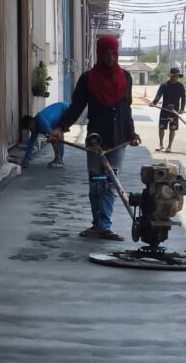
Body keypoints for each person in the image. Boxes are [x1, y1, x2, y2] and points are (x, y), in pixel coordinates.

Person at [49, 35, 141, 241]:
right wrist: (60, 128)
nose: (111, 58)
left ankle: (104, 226)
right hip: (96, 141)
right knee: (95, 183)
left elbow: (126, 109)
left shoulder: (126, 78)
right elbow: (76, 107)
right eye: (107, 54)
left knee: (110, 183)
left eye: (114, 54)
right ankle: (97, 224)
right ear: (100, 54)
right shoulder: (88, 79)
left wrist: (132, 133)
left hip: (118, 140)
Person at [21, 102, 69, 169]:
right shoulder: (35, 128)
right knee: (55, 135)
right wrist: (26, 158)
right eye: (28, 129)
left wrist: (51, 138)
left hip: (64, 109)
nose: (30, 130)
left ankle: (59, 160)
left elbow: (52, 137)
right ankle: (58, 159)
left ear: (31, 122)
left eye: (29, 127)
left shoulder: (40, 119)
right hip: (59, 112)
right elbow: (31, 142)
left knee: (56, 136)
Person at [152, 67, 186, 151]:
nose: (177, 77)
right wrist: (154, 103)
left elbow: (183, 98)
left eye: (178, 75)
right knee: (161, 127)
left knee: (172, 129)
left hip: (175, 111)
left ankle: (169, 146)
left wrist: (182, 108)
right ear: (172, 75)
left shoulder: (180, 86)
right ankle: (161, 144)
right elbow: (158, 95)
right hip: (164, 110)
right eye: (176, 75)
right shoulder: (164, 85)